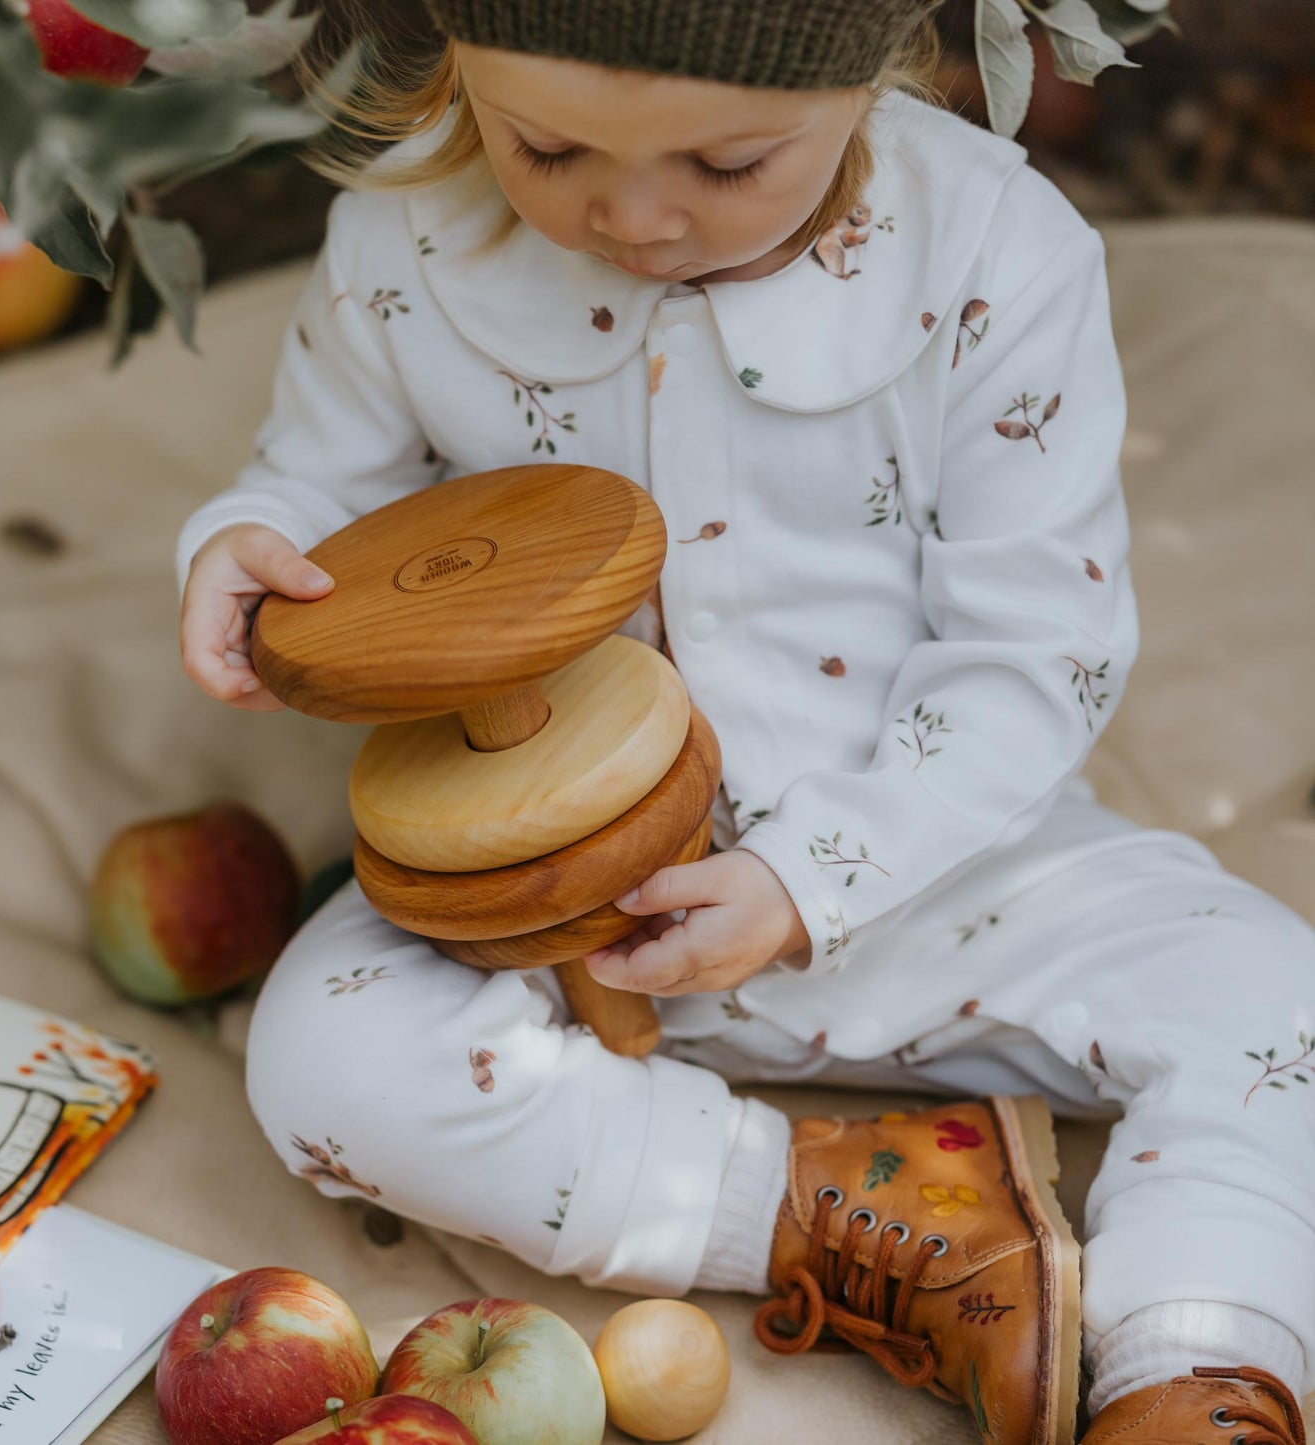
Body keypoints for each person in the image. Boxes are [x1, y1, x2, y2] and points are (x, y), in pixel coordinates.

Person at [176, 4, 1315, 1441]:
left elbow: (1038, 655)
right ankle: (863, 1219)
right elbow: (321, 490)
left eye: (725, 165)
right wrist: (251, 543)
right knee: (321, 1060)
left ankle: (1186, 1364)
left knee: (1277, 1003)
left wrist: (809, 879)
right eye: (547, 145)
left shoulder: (991, 255)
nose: (635, 217)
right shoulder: (408, 240)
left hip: (934, 877)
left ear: (872, 72)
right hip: (562, 912)